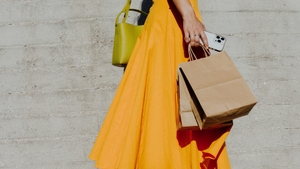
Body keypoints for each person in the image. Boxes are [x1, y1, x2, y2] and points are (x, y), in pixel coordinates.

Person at [89, 0, 232, 168]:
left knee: (180, 110)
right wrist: (189, 15)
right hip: (171, 26)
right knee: (167, 110)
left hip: (174, 24)